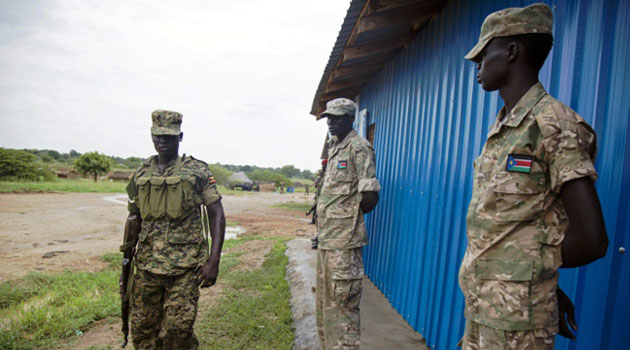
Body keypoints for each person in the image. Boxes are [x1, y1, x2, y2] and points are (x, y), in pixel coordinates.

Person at [458, 4, 608, 349]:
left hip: (517, 326)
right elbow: (524, 225)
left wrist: (537, 282)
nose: (478, 66)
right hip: (484, 311)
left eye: (484, 54)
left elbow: (591, 239)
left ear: (511, 51)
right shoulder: (505, 127)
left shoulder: (553, 124)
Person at [122, 110, 226, 350]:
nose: (162, 141)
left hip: (186, 267)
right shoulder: (141, 173)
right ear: (152, 136)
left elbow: (216, 213)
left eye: (168, 137)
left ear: (180, 137)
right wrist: (127, 257)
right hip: (148, 264)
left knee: (178, 331)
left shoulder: (197, 171)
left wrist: (214, 260)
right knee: (143, 332)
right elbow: (134, 216)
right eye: (158, 136)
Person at [316, 98, 380, 349]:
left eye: (337, 117)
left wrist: (348, 222)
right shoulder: (334, 147)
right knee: (326, 309)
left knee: (343, 310)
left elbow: (370, 197)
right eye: (329, 118)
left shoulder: (358, 148)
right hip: (327, 241)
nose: (331, 122)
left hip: (343, 244)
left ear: (350, 119)